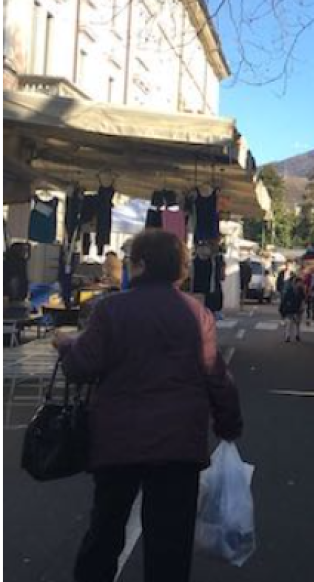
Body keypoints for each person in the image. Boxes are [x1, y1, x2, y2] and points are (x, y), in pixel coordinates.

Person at [52, 229, 243, 582]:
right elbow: (215, 374)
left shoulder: (111, 309)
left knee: (106, 531)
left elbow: (82, 366)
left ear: (138, 265)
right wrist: (228, 423)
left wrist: (65, 345)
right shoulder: (196, 313)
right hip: (178, 444)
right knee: (169, 544)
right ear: (179, 269)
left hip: (117, 441)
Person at [279, 276, 306, 343]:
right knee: (289, 322)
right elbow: (285, 299)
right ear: (295, 283)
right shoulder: (289, 290)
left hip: (298, 308)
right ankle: (287, 336)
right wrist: (283, 308)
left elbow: (303, 299)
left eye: (301, 283)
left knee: (297, 322)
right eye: (299, 283)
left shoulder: (301, 290)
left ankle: (297, 334)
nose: (300, 284)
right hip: (290, 308)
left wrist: (302, 306)